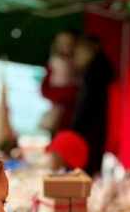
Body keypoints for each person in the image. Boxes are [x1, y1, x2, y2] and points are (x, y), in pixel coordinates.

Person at [71, 35, 115, 177]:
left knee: (84, 172)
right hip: (100, 131)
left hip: (87, 131)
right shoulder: (103, 72)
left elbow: (84, 105)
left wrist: (75, 128)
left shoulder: (91, 74)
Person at [39, 30, 78, 136]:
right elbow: (44, 90)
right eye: (62, 44)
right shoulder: (52, 63)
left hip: (72, 115)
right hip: (57, 112)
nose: (65, 47)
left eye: (69, 44)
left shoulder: (77, 65)